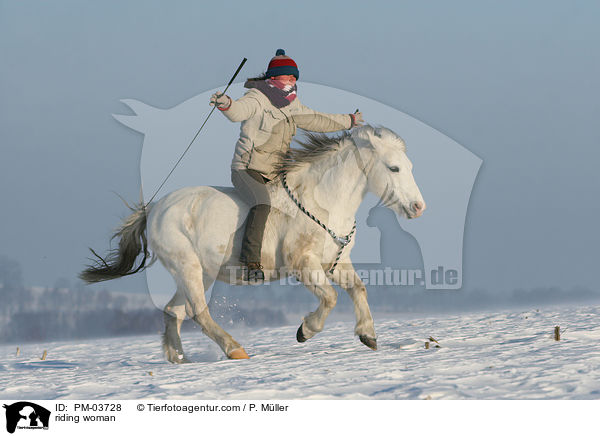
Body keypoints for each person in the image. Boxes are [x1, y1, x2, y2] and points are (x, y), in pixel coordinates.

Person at [210, 49, 364, 282]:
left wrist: (349, 120)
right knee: (262, 204)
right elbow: (237, 112)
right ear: (274, 77)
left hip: (276, 172)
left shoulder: (293, 104)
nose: (293, 80)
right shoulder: (257, 97)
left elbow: (317, 119)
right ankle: (251, 262)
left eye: (295, 77)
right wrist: (226, 104)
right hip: (248, 169)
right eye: (288, 76)